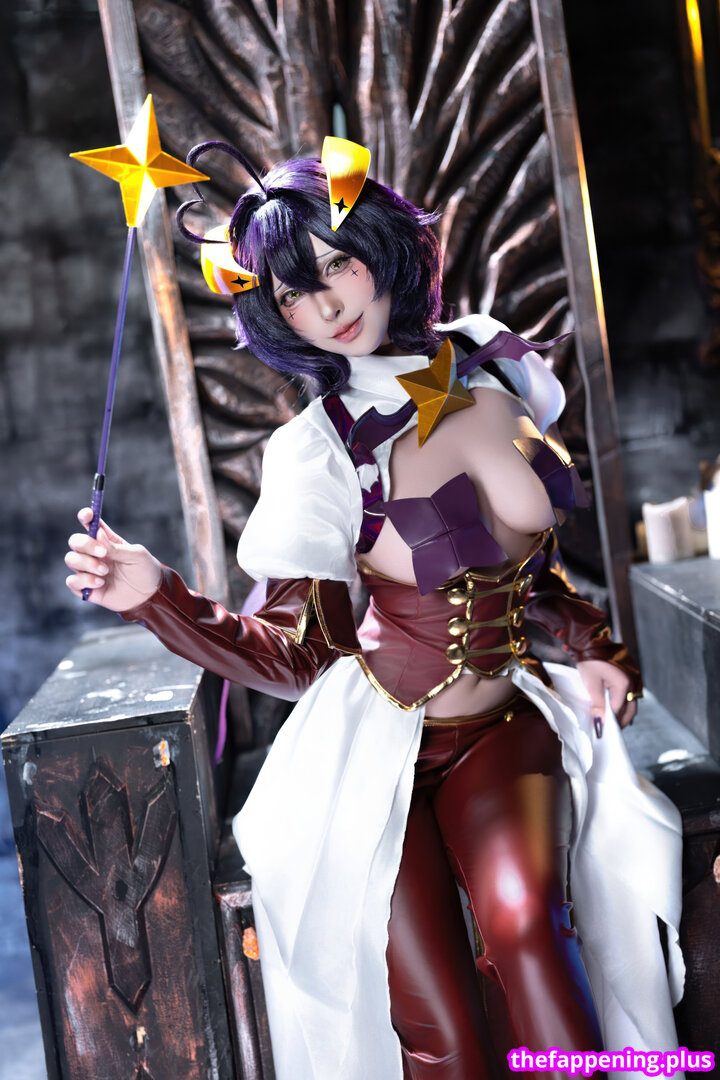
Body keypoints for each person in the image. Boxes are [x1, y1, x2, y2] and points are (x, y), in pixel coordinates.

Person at [65, 138, 684, 1080]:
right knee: (432, 1015)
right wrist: (160, 598)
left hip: (500, 725)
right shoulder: (318, 453)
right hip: (369, 751)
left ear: (381, 248)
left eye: (337, 266)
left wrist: (594, 645)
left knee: (528, 930)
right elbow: (295, 657)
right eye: (292, 294)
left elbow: (524, 567)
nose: (326, 306)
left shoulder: (492, 367)